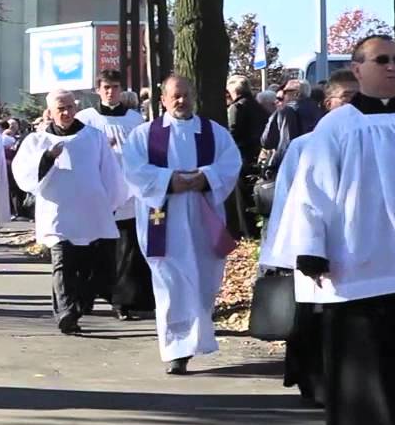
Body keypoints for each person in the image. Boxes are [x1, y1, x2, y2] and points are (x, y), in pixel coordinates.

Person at [271, 36, 395, 425]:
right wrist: (310, 248)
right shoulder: (336, 128)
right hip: (360, 262)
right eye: (382, 60)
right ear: (357, 69)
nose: (392, 67)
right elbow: (310, 193)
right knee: (368, 359)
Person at [122, 75, 241, 375]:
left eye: (186, 95)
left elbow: (231, 164)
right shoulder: (144, 134)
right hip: (163, 219)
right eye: (175, 95)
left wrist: (205, 177)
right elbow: (134, 170)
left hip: (204, 218)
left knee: (204, 280)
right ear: (162, 99)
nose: (181, 100)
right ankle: (177, 350)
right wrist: (169, 181)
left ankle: (199, 338)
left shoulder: (214, 133)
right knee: (170, 284)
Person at [258, 70, 358, 407]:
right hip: (314, 247)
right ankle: (313, 381)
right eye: (346, 97)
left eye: (357, 98)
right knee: (313, 317)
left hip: (355, 249)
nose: (352, 105)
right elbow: (289, 200)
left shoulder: (370, 141)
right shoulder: (304, 147)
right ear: (329, 104)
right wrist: (292, 251)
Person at [14, 89, 127, 334]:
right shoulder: (38, 141)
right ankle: (65, 313)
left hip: (90, 212)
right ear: (50, 113)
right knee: (62, 264)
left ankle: (79, 305)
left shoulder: (94, 137)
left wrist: (112, 202)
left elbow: (110, 173)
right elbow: (23, 175)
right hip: (57, 214)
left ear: (75, 108)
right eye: (60, 109)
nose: (65, 113)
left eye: (68, 107)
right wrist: (46, 158)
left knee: (87, 268)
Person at [76, 70, 154, 320]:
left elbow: (144, 152)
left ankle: (122, 301)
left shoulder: (135, 120)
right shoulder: (85, 119)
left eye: (116, 87)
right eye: (106, 87)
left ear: (122, 89)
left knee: (126, 250)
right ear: (98, 89)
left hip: (129, 192)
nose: (111, 92)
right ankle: (86, 297)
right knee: (92, 249)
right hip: (97, 190)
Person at [224, 74, 268, 239]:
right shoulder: (257, 105)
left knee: (242, 194)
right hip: (256, 153)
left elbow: (233, 131)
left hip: (242, 154)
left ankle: (248, 232)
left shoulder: (237, 108)